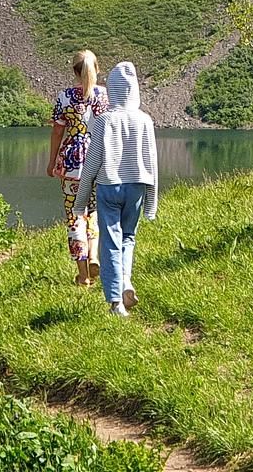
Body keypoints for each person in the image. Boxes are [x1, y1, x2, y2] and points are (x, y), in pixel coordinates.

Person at [77, 60, 158, 316]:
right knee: (128, 237)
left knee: (110, 240)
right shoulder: (145, 120)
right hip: (137, 185)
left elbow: (92, 163)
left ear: (112, 90)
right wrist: (151, 204)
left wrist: (80, 202)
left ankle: (115, 302)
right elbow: (152, 161)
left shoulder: (103, 120)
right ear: (134, 90)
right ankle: (126, 282)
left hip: (108, 185)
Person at [49, 49, 110, 286]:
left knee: (75, 216)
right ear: (97, 68)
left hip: (72, 162)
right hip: (99, 159)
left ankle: (83, 274)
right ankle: (94, 255)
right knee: (94, 211)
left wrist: (52, 161)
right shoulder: (104, 96)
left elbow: (57, 131)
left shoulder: (64, 96)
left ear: (73, 70)